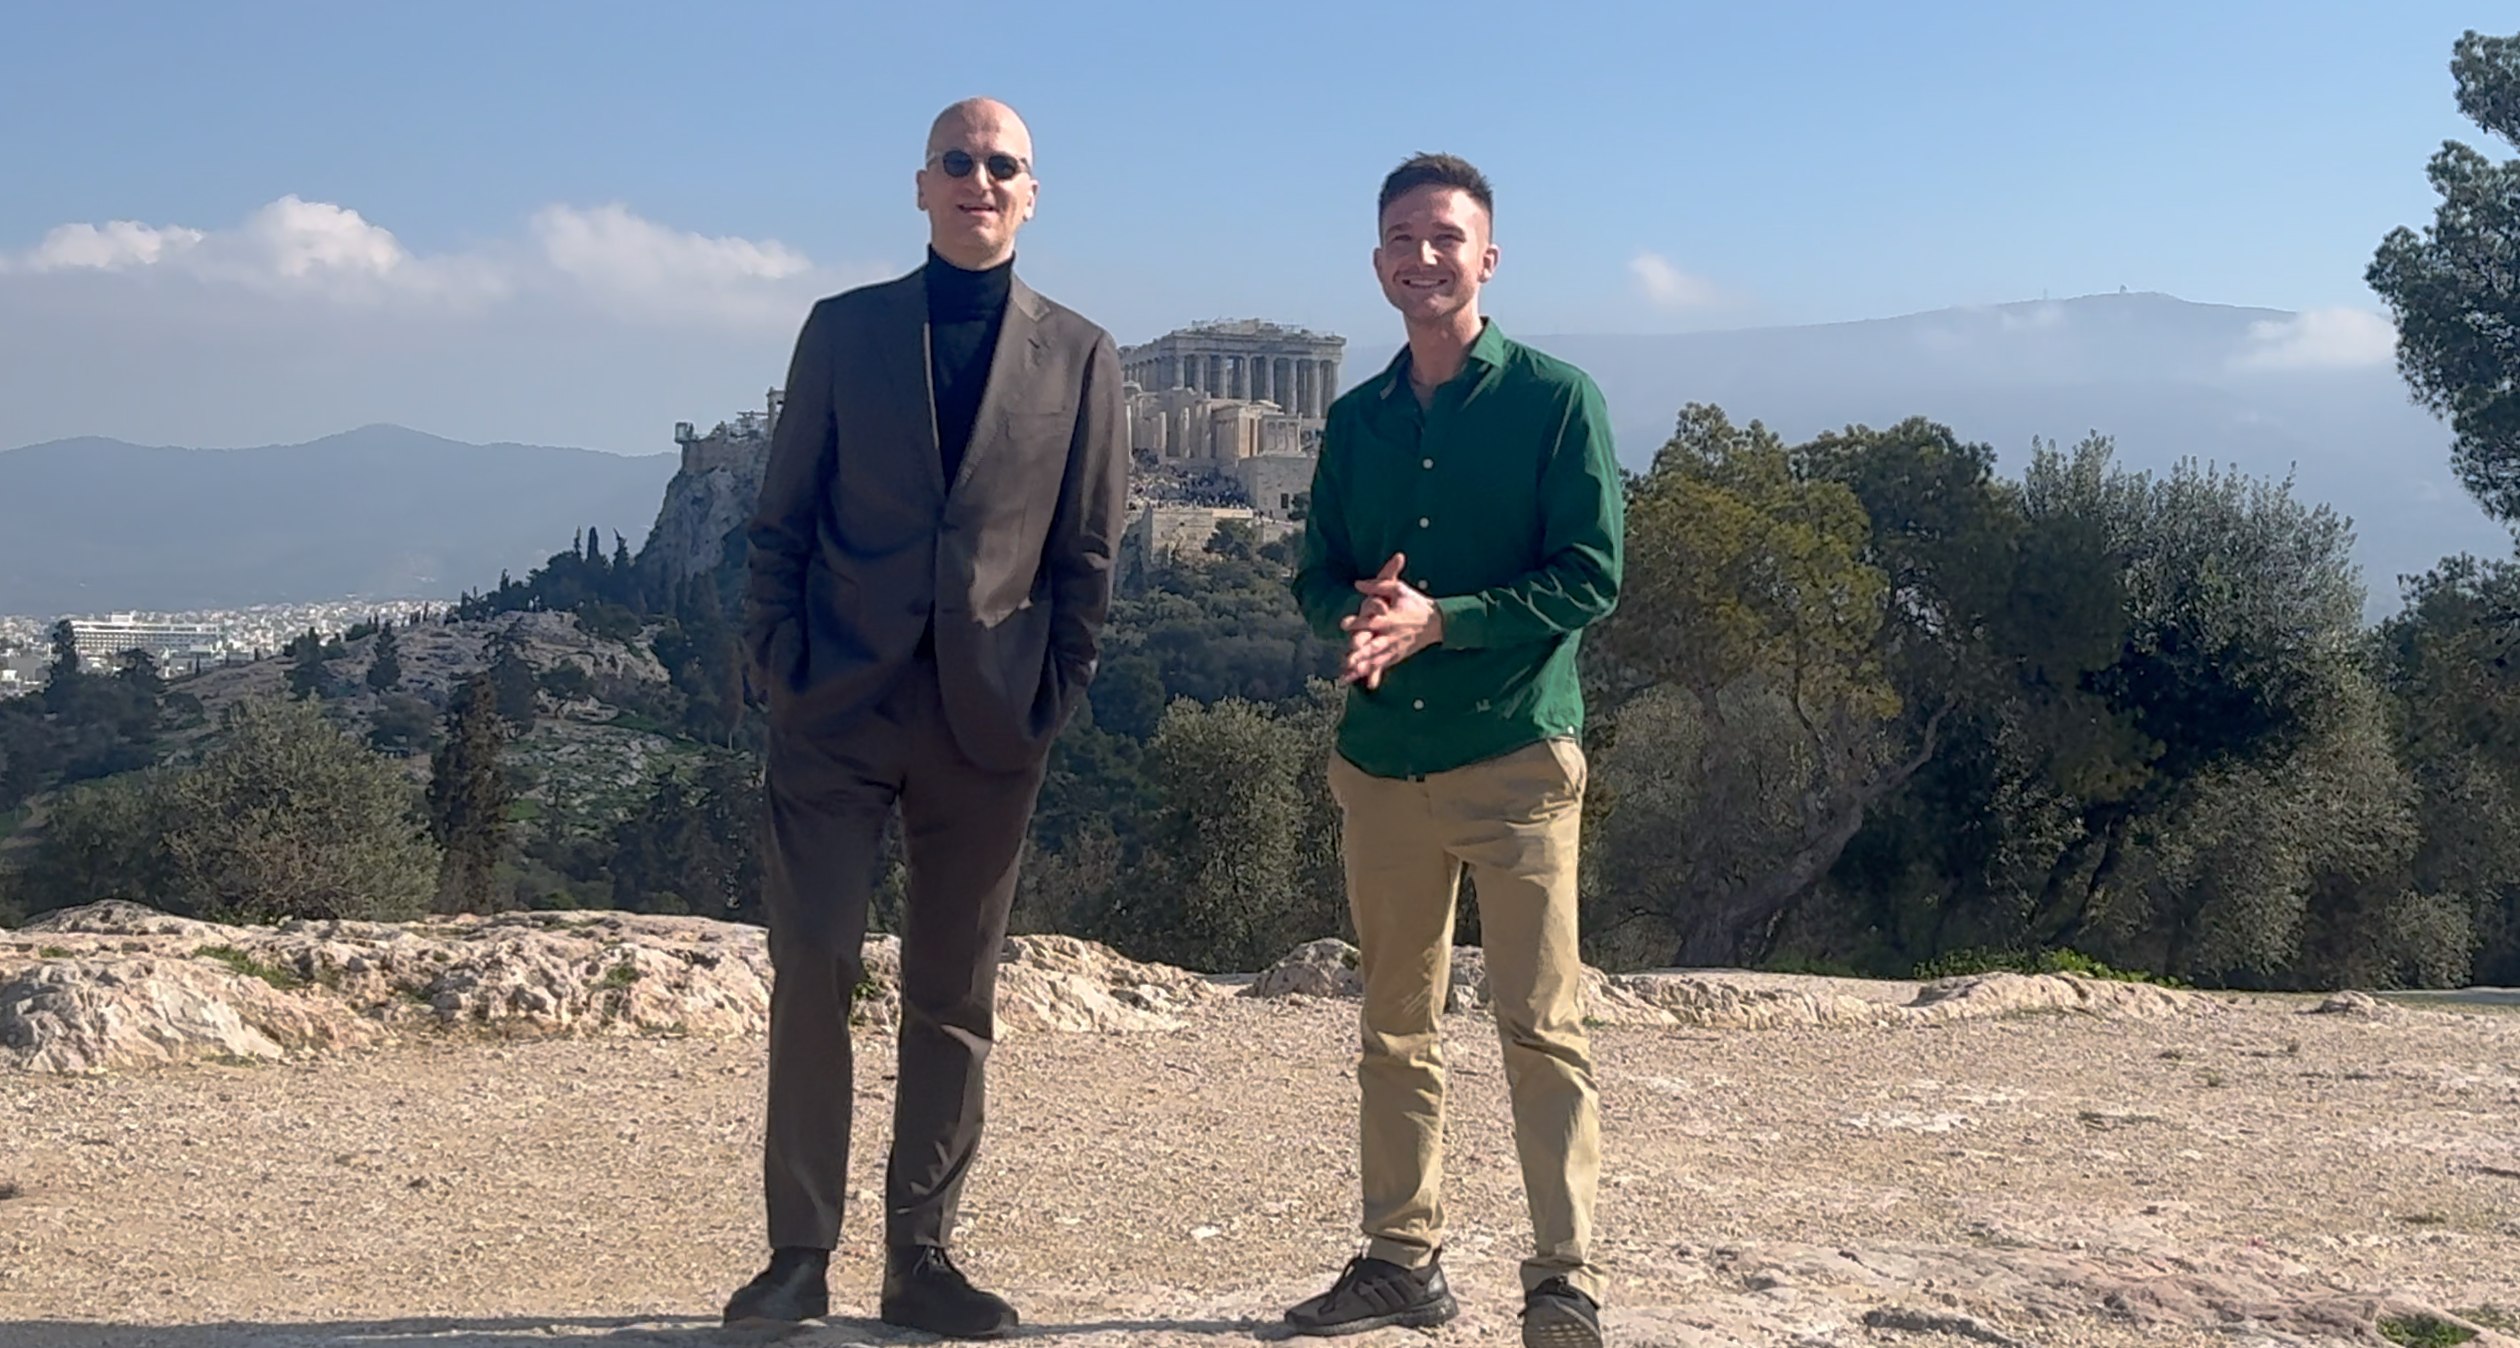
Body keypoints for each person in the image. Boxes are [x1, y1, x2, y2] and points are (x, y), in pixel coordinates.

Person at [723, 96, 1128, 1336]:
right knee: (813, 964)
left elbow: (1088, 551)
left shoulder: (1082, 353)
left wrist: (1054, 692)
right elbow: (782, 517)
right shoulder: (843, 330)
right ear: (921, 185)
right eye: (958, 159)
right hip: (836, 705)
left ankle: (923, 1260)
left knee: (954, 992)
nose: (979, 179)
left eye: (1003, 164)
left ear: (1031, 194)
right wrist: (778, 661)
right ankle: (799, 1255)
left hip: (989, 716)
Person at [1284, 152, 1624, 1348]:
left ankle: (1565, 1281)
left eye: (1444, 238)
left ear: (1487, 256)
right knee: (1394, 1028)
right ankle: (1400, 1261)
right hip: (1383, 763)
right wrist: (1363, 611)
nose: (1422, 257)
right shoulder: (1355, 420)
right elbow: (1315, 574)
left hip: (1516, 757)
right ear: (1377, 260)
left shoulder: (1557, 400)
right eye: (1402, 239)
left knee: (1541, 1027)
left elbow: (1592, 575)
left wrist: (1446, 620)